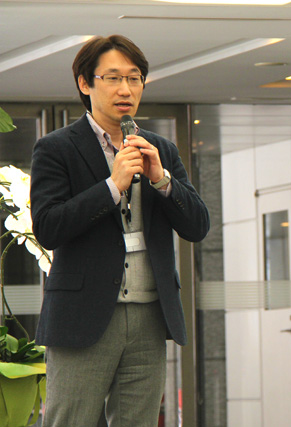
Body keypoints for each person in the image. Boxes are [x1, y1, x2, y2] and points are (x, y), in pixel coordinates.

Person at [30, 35, 210, 426]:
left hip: (150, 315)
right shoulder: (56, 148)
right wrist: (112, 187)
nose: (125, 89)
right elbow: (48, 227)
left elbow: (197, 226)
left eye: (134, 78)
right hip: (83, 316)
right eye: (112, 78)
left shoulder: (159, 149)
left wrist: (162, 180)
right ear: (85, 83)